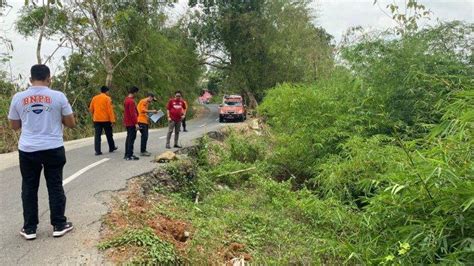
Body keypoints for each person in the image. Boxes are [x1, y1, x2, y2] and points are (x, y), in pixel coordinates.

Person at [8, 64, 76, 240]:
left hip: (28, 149)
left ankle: (30, 228)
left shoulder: (18, 97)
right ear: (49, 79)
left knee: (29, 187)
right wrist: (55, 117)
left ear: (30, 80)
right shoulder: (58, 96)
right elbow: (71, 123)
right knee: (55, 185)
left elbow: (14, 126)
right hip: (53, 147)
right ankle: (59, 225)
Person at [89, 86, 118, 155]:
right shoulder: (107, 98)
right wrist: (112, 120)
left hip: (96, 120)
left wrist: (94, 114)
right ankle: (111, 147)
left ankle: (97, 151)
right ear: (107, 91)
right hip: (106, 120)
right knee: (109, 134)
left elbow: (91, 109)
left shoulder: (94, 98)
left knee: (97, 136)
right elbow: (110, 110)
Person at [123, 86, 140, 160]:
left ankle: (127, 154)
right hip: (131, 123)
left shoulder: (126, 100)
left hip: (127, 122)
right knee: (131, 138)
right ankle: (130, 155)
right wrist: (136, 123)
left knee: (128, 138)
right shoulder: (131, 101)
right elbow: (133, 114)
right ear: (135, 92)